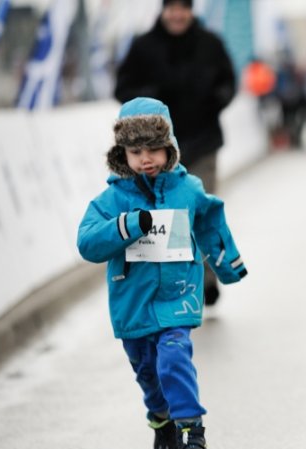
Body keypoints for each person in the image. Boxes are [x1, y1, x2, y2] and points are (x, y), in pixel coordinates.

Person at [77, 98, 248, 449]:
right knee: (148, 372)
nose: (146, 158)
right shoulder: (112, 199)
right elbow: (87, 243)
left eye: (154, 148)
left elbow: (209, 219)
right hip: (132, 303)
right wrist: (125, 227)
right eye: (136, 150)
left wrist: (228, 265)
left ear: (170, 146)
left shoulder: (188, 189)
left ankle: (192, 431)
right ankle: (160, 418)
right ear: (122, 152)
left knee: (173, 356)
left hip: (178, 296)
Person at [114, 0, 237, 305]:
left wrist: (217, 99)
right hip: (155, 151)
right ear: (164, 11)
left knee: (199, 211)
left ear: (190, 11)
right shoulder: (143, 47)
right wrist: (149, 100)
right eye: (172, 8)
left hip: (202, 142)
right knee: (166, 218)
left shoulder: (210, 44)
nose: (178, 14)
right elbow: (121, 88)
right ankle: (175, 283)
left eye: (183, 8)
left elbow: (229, 82)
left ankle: (206, 280)